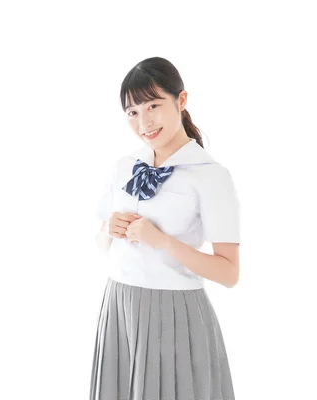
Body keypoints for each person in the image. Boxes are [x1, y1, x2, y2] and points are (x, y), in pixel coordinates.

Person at [89, 57, 240, 400]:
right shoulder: (123, 167)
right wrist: (108, 230)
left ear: (181, 101)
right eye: (133, 112)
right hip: (119, 304)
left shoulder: (211, 176)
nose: (144, 122)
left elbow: (229, 273)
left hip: (175, 313)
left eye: (154, 105)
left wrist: (161, 241)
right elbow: (102, 245)